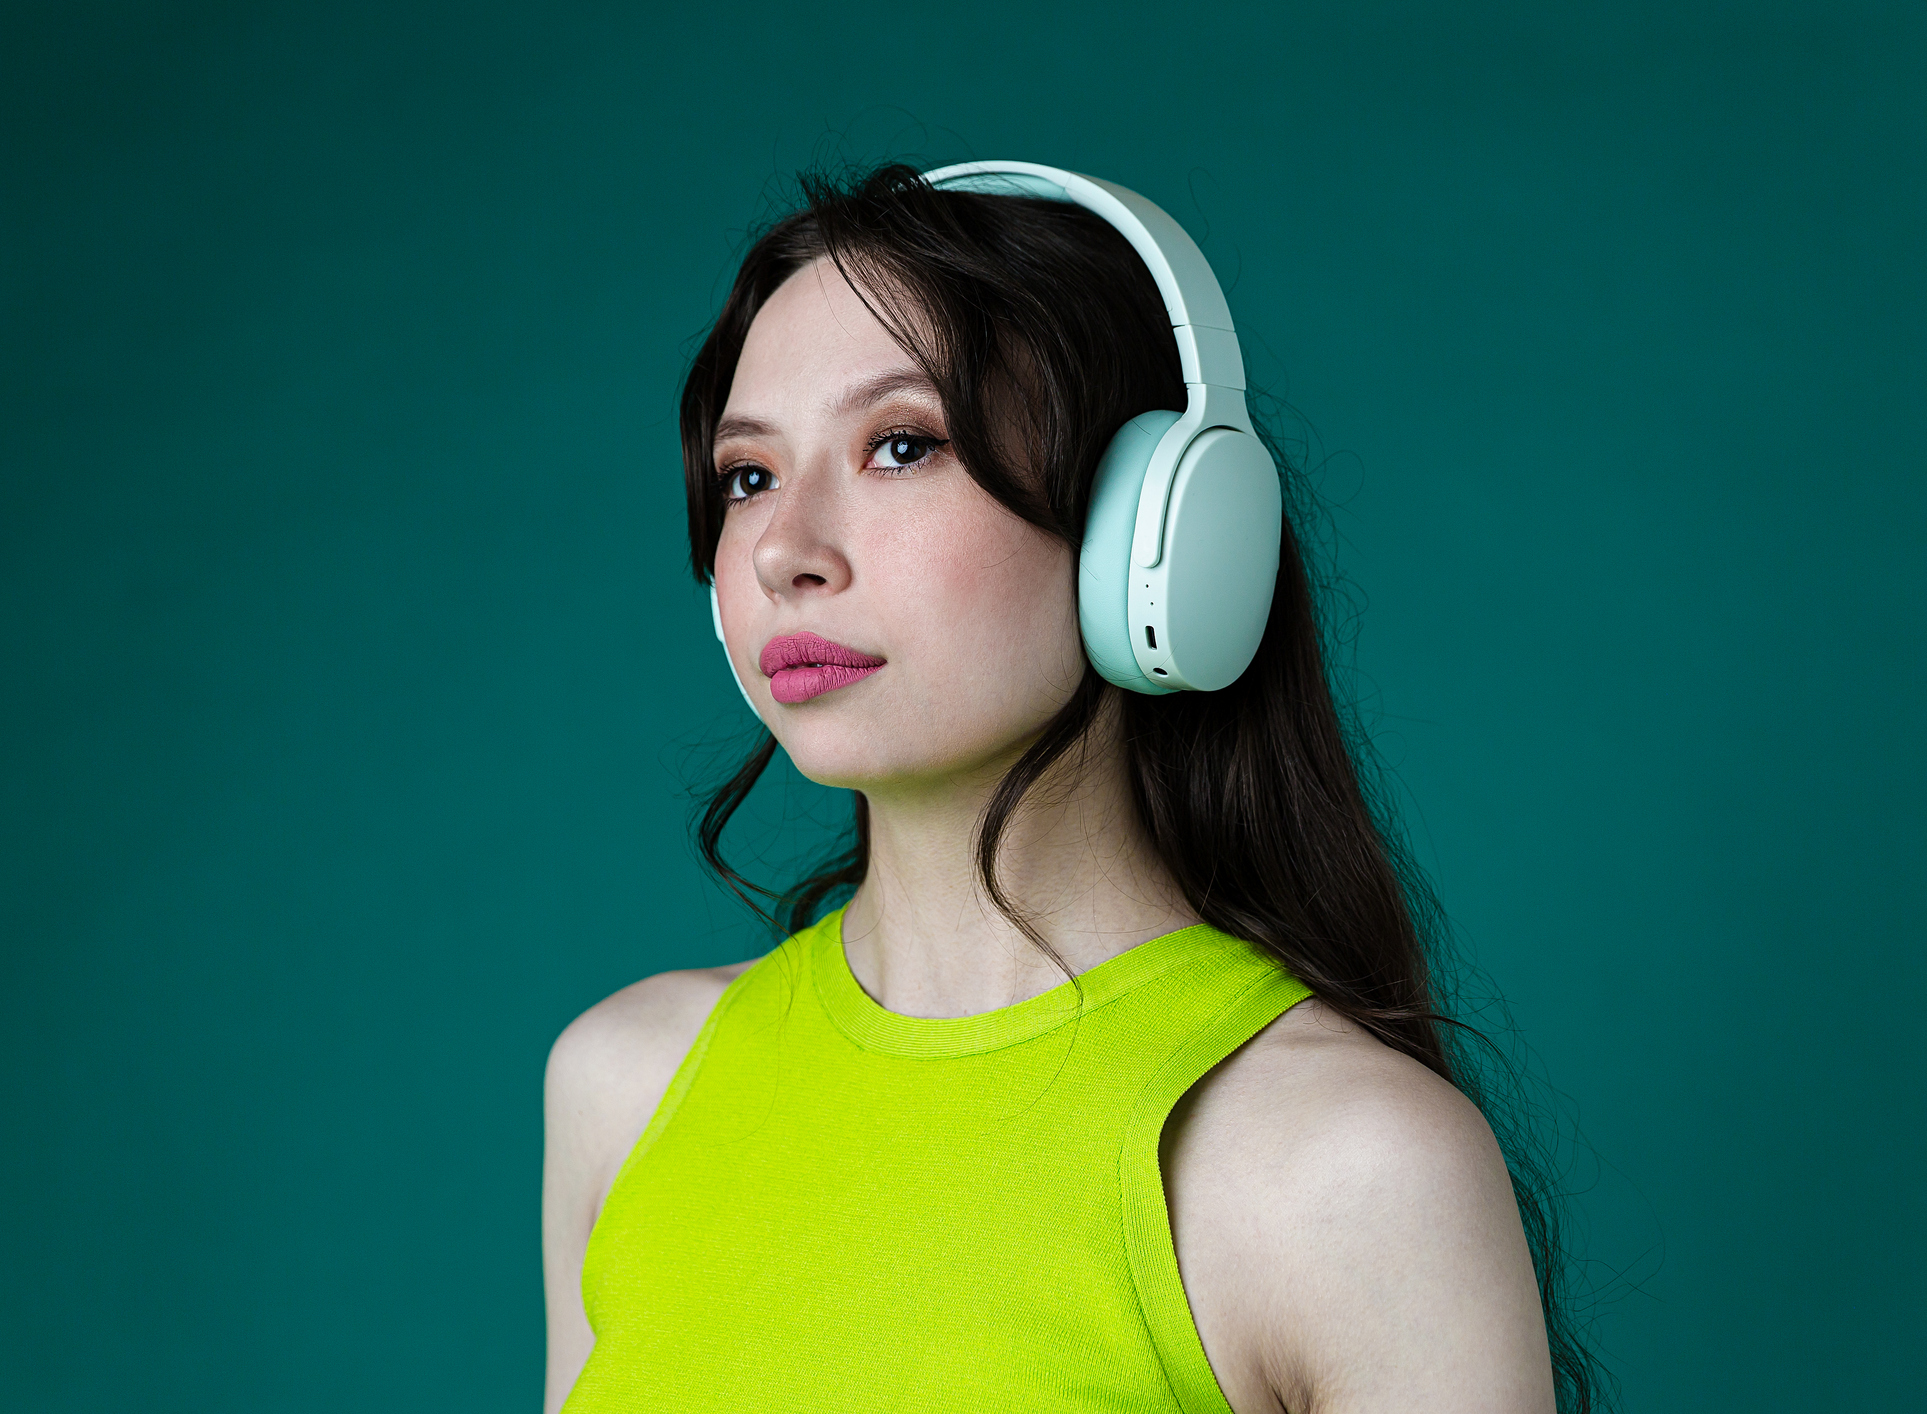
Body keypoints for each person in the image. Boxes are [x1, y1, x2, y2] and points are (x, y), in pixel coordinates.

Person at [542, 162, 1602, 1414]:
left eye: (900, 445)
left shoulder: (1347, 1170)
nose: (783, 552)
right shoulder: (626, 1083)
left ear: (1153, 534)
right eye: (749, 476)